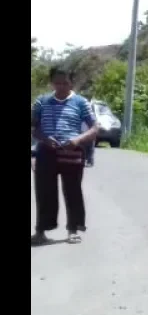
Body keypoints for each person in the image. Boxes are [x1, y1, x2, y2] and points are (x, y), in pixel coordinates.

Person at [31, 67, 99, 245]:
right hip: (46, 152)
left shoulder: (80, 102)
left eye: (65, 83)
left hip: (72, 152)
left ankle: (73, 229)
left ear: (72, 83)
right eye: (57, 83)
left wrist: (77, 140)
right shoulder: (41, 102)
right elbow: (33, 127)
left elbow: (95, 128)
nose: (61, 87)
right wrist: (44, 139)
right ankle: (41, 231)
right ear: (51, 83)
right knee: (44, 192)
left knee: (73, 191)